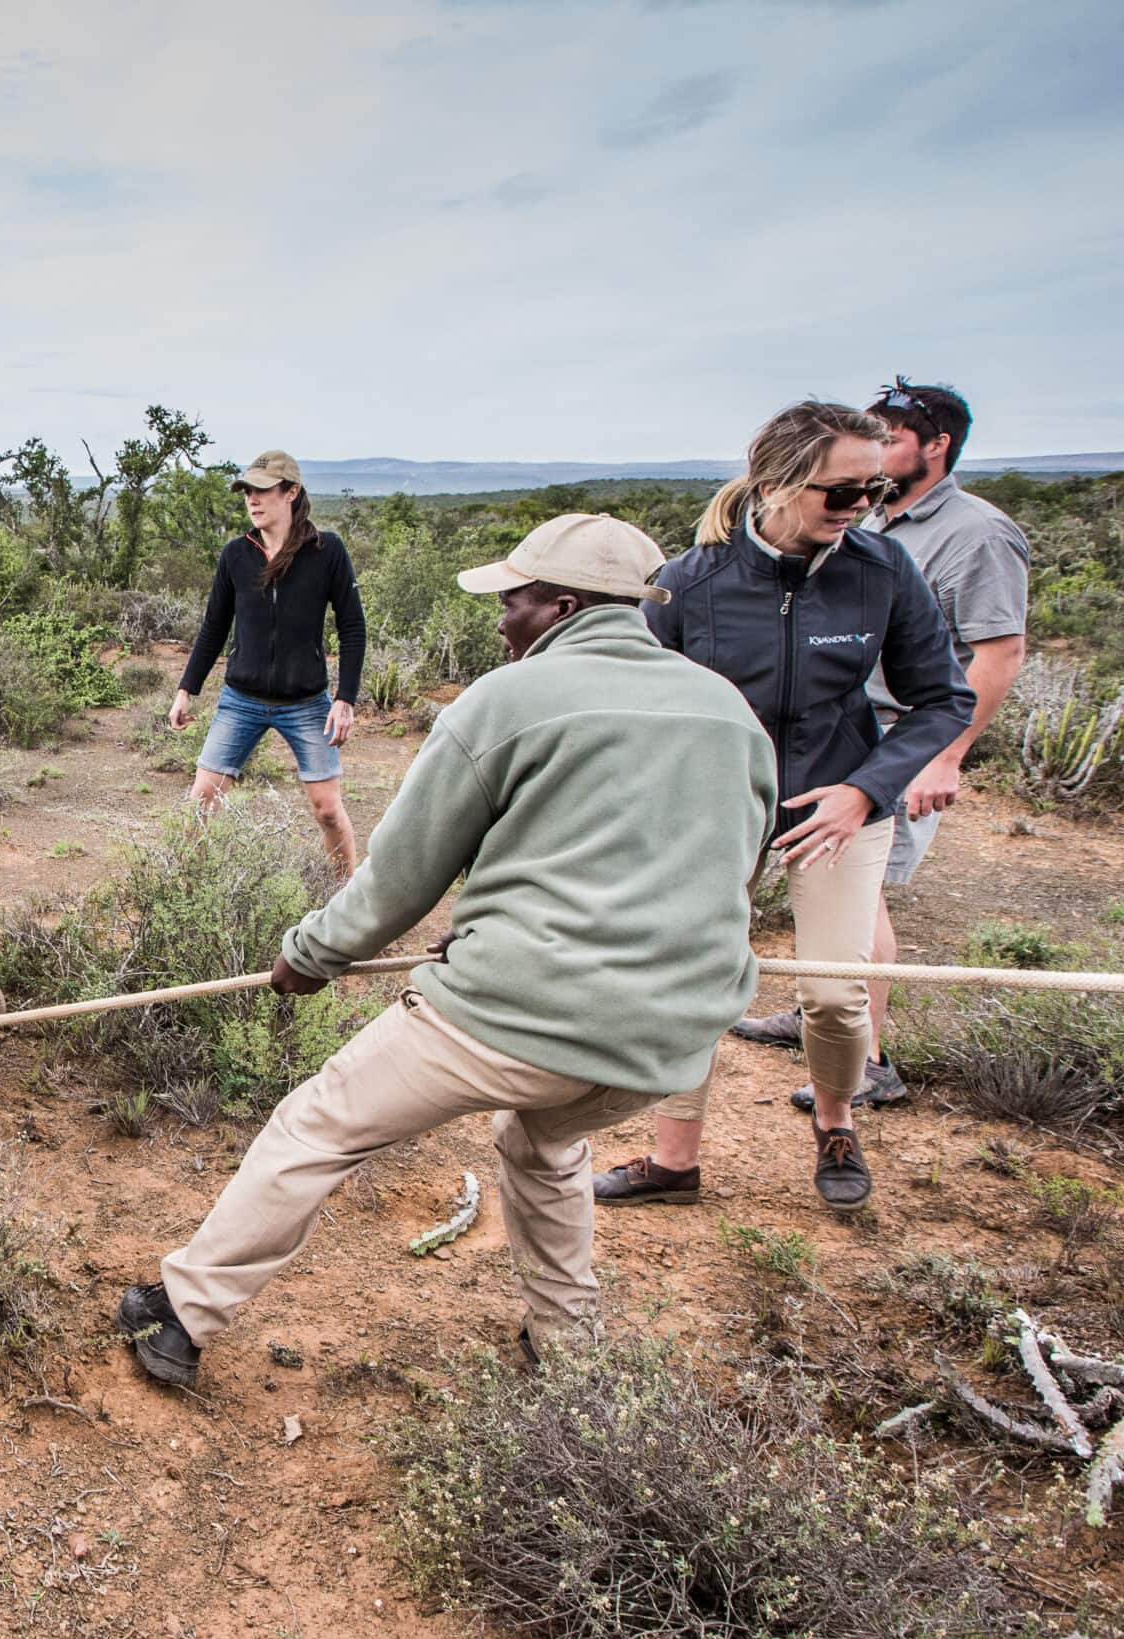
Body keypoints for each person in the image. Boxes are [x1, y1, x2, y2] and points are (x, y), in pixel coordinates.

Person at [117, 515, 774, 1389]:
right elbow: (740, 871)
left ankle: (181, 1314)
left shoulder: (506, 701)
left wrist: (311, 954)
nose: (502, 617)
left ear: (564, 606)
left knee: (318, 1124)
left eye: (516, 598)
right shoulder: (729, 709)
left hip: (516, 1013)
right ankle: (569, 1350)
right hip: (667, 1043)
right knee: (545, 1143)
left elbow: (399, 875)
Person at [592, 402, 971, 1216]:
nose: (860, 507)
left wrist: (864, 790)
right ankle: (673, 1160)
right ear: (774, 483)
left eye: (875, 489)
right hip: (715, 810)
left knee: (835, 995)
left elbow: (943, 700)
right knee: (693, 978)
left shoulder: (883, 572)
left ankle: (835, 1123)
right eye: (841, 493)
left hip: (842, 801)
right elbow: (635, 703)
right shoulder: (692, 582)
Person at [731, 381, 1030, 1115]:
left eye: (886, 453)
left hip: (892, 745)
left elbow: (997, 652)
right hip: (835, 731)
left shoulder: (974, 534)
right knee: (837, 919)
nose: (863, 496)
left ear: (938, 446)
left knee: (863, 914)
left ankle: (867, 1061)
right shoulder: (880, 525)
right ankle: (822, 1020)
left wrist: (942, 755)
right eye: (847, 486)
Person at [169, 450, 366, 876]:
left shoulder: (326, 550)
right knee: (202, 801)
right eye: (247, 493)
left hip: (308, 703)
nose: (252, 501)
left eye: (262, 491)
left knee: (328, 810)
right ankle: (189, 892)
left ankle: (347, 901)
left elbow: (352, 627)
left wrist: (345, 699)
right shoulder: (236, 554)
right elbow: (213, 627)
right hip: (241, 700)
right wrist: (187, 689)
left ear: (291, 492)